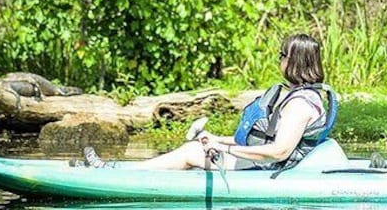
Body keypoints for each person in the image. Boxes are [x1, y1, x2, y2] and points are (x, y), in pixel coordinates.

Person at [85, 33, 337, 171]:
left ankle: (117, 172)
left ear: (295, 62)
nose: (278, 60)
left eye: (282, 55)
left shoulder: (301, 104)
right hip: (262, 161)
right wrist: (217, 139)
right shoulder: (297, 96)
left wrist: (226, 150)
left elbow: (279, 151)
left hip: (271, 167)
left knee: (189, 152)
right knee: (196, 147)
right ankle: (120, 168)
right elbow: (264, 139)